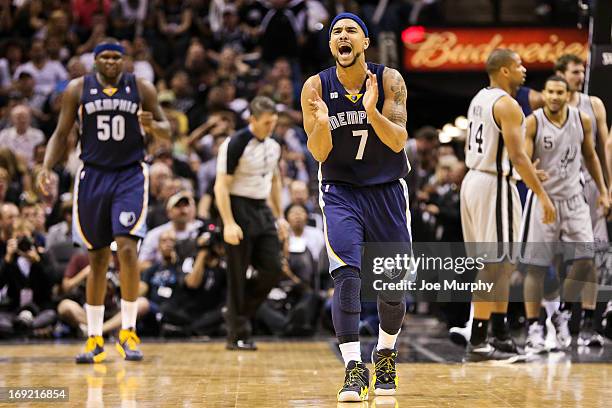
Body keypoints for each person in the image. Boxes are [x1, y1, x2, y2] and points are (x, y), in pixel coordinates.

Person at [37, 38, 170, 363]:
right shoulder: (77, 89)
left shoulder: (141, 87)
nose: (111, 62)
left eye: (117, 57)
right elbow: (61, 132)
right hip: (93, 175)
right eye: (105, 57)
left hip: (129, 175)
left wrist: (153, 125)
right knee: (96, 257)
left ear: (125, 61)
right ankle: (94, 337)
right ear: (95, 60)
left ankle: (127, 331)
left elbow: (167, 129)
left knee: (126, 248)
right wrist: (45, 167)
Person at [301, 13, 410, 401]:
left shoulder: (390, 79)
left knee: (392, 285)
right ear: (331, 45)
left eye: (350, 31)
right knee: (346, 276)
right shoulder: (315, 87)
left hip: (386, 190)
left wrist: (371, 112)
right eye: (335, 33)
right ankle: (353, 368)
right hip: (341, 190)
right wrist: (323, 125)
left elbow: (398, 142)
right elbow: (318, 153)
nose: (342, 37)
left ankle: (384, 355)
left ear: (365, 42)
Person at [460, 49, 556, 362]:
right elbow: (516, 155)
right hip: (493, 185)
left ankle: (499, 334)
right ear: (503, 70)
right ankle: (478, 339)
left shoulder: (480, 98)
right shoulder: (508, 104)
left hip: (476, 180)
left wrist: (522, 171)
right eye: (518, 65)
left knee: (501, 264)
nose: (524, 69)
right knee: (495, 265)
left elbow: (508, 155)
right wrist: (541, 193)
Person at [521, 75, 608, 354]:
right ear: (544, 94)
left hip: (574, 199)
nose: (555, 97)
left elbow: (591, 156)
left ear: (568, 94)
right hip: (543, 199)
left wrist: (604, 190)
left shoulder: (581, 119)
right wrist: (532, 173)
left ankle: (562, 309)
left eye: (560, 92)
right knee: (535, 267)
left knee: (586, 259)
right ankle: (534, 326)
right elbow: (522, 159)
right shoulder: (533, 121)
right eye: (551, 92)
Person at [214, 96, 284, 351]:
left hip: (261, 207)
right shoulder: (235, 143)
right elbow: (220, 186)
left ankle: (236, 313)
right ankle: (237, 334)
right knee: (237, 274)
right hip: (236, 206)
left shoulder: (274, 146)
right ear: (252, 120)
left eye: (274, 123)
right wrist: (228, 222)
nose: (271, 128)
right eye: (266, 123)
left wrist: (280, 216)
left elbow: (275, 181)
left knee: (273, 269)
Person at [555, 54, 610, 345]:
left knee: (595, 255)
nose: (579, 76)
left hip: (588, 184)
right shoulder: (550, 105)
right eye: (574, 71)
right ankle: (556, 315)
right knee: (561, 257)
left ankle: (590, 323)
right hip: (560, 188)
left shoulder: (594, 104)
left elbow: (603, 150)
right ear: (561, 74)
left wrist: (606, 189)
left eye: (582, 71)